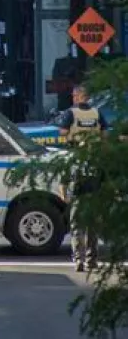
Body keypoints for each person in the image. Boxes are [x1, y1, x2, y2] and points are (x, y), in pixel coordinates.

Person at [59, 84, 108, 271]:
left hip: (77, 170)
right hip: (94, 170)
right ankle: (92, 259)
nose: (73, 98)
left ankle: (78, 259)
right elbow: (105, 134)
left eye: (74, 95)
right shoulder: (97, 113)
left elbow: (63, 133)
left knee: (77, 221)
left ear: (80, 97)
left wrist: (63, 190)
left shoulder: (70, 114)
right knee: (92, 222)